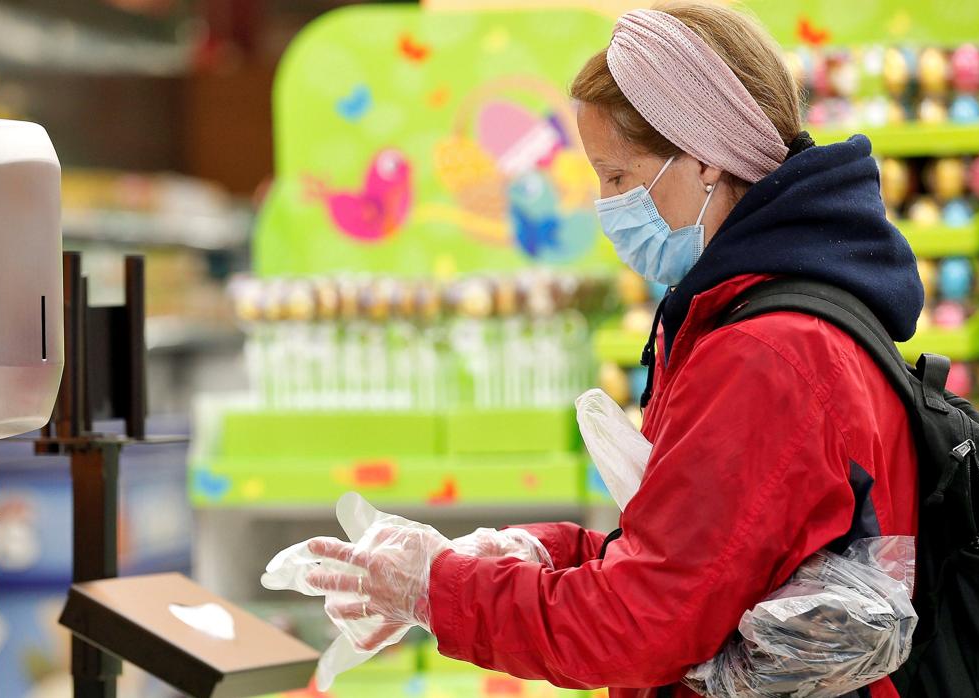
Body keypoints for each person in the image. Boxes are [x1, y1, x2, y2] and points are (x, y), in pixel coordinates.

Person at [301, 3, 923, 697]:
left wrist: (438, 590)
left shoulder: (764, 352)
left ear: (704, 159)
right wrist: (535, 553)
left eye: (618, 177)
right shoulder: (774, 309)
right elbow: (705, 563)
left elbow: (638, 628)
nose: (605, 206)